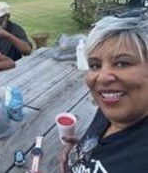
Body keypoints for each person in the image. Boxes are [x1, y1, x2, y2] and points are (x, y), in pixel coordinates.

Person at [60, 15, 148, 173]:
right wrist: (79, 152)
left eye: (122, 63)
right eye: (95, 65)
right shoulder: (113, 107)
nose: (102, 77)